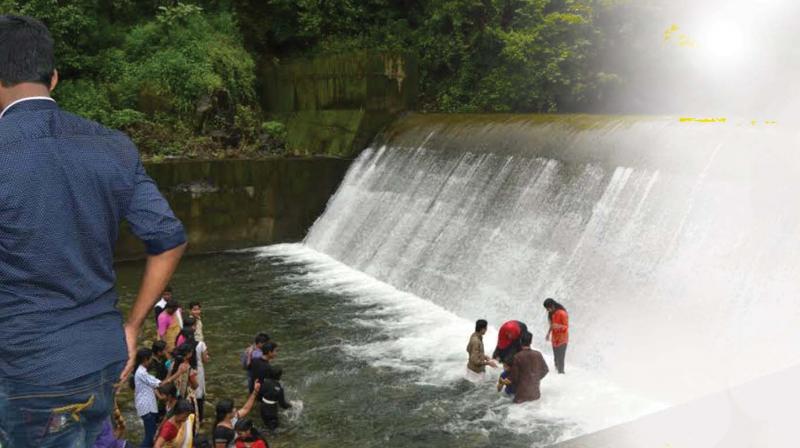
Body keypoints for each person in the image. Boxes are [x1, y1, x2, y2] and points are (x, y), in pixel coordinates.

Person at [0, 16, 186, 448]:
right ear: (54, 78)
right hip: (103, 356)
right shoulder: (111, 145)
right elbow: (169, 239)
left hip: (26, 367)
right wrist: (133, 325)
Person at [131, 348, 189, 448]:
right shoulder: (142, 373)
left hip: (146, 406)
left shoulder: (140, 371)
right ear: (145, 360)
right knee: (150, 438)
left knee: (151, 436)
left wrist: (171, 374)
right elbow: (161, 384)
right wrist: (178, 373)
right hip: (147, 407)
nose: (150, 362)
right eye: (150, 359)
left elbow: (158, 383)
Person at [213, 383, 261, 448]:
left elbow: (245, 409)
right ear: (227, 414)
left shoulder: (233, 418)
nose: (235, 409)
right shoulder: (221, 431)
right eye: (233, 408)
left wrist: (255, 392)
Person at [511, 332, 549, 403]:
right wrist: (535, 379)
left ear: (520, 341)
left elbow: (514, 377)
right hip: (535, 394)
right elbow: (545, 370)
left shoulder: (517, 356)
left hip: (521, 395)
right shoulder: (538, 354)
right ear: (531, 341)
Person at [258, 367, 292, 432]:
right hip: (271, 411)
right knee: (273, 430)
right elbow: (282, 404)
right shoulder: (279, 389)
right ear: (279, 376)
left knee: (265, 423)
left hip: (262, 407)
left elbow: (260, 394)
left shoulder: (265, 382)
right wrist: (291, 405)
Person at [543, 298, 569, 374]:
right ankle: (557, 374)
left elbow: (566, 327)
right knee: (556, 359)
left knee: (561, 359)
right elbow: (552, 325)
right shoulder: (551, 314)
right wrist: (548, 333)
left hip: (563, 339)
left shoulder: (562, 313)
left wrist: (558, 326)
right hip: (555, 339)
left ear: (553, 306)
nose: (547, 310)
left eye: (548, 308)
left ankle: (561, 373)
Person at [195, 335, 210, 423]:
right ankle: (200, 418)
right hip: (199, 370)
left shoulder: (181, 342)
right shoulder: (200, 344)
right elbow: (205, 359)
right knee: (199, 393)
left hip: (188, 370)